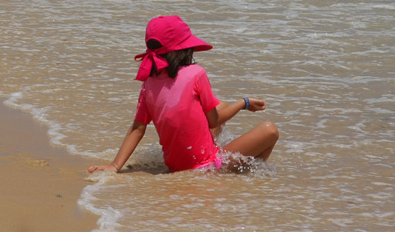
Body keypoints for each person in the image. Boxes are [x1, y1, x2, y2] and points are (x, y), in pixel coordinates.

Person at [88, 15, 278, 175]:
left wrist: (114, 166)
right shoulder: (196, 73)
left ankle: (244, 167)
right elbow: (214, 120)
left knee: (216, 105)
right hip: (207, 166)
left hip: (175, 166)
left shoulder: (149, 82)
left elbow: (138, 129)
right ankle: (244, 173)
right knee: (270, 130)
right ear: (186, 49)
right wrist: (243, 103)